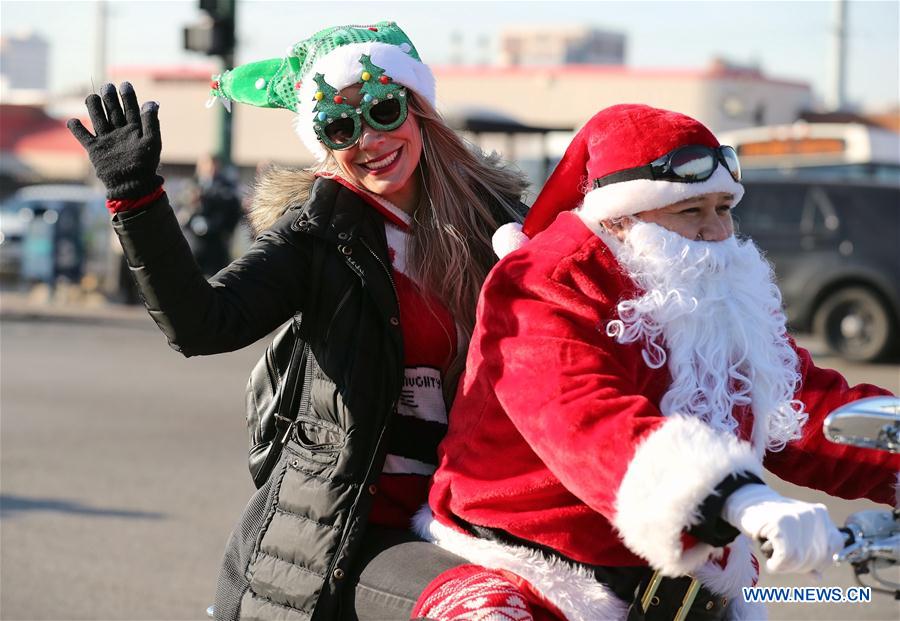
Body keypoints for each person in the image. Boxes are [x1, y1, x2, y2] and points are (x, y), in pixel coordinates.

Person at [66, 21, 527, 621]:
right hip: (362, 526)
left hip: (488, 514)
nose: (368, 139)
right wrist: (137, 198)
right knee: (489, 611)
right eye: (339, 126)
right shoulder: (317, 236)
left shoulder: (499, 223)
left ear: (418, 110)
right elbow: (203, 324)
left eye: (383, 109)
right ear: (324, 143)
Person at [412, 104, 899, 620]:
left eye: (723, 208)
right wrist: (738, 498)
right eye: (690, 211)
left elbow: (796, 401)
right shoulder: (545, 283)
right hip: (533, 572)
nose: (715, 231)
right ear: (620, 219)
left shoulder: (714, 285)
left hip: (688, 581)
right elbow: (585, 420)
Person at [184, 154, 245, 276]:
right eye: (206, 165)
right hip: (194, 243)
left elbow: (233, 209)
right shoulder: (191, 184)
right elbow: (181, 209)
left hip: (217, 243)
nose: (209, 169)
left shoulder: (226, 187)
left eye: (212, 165)